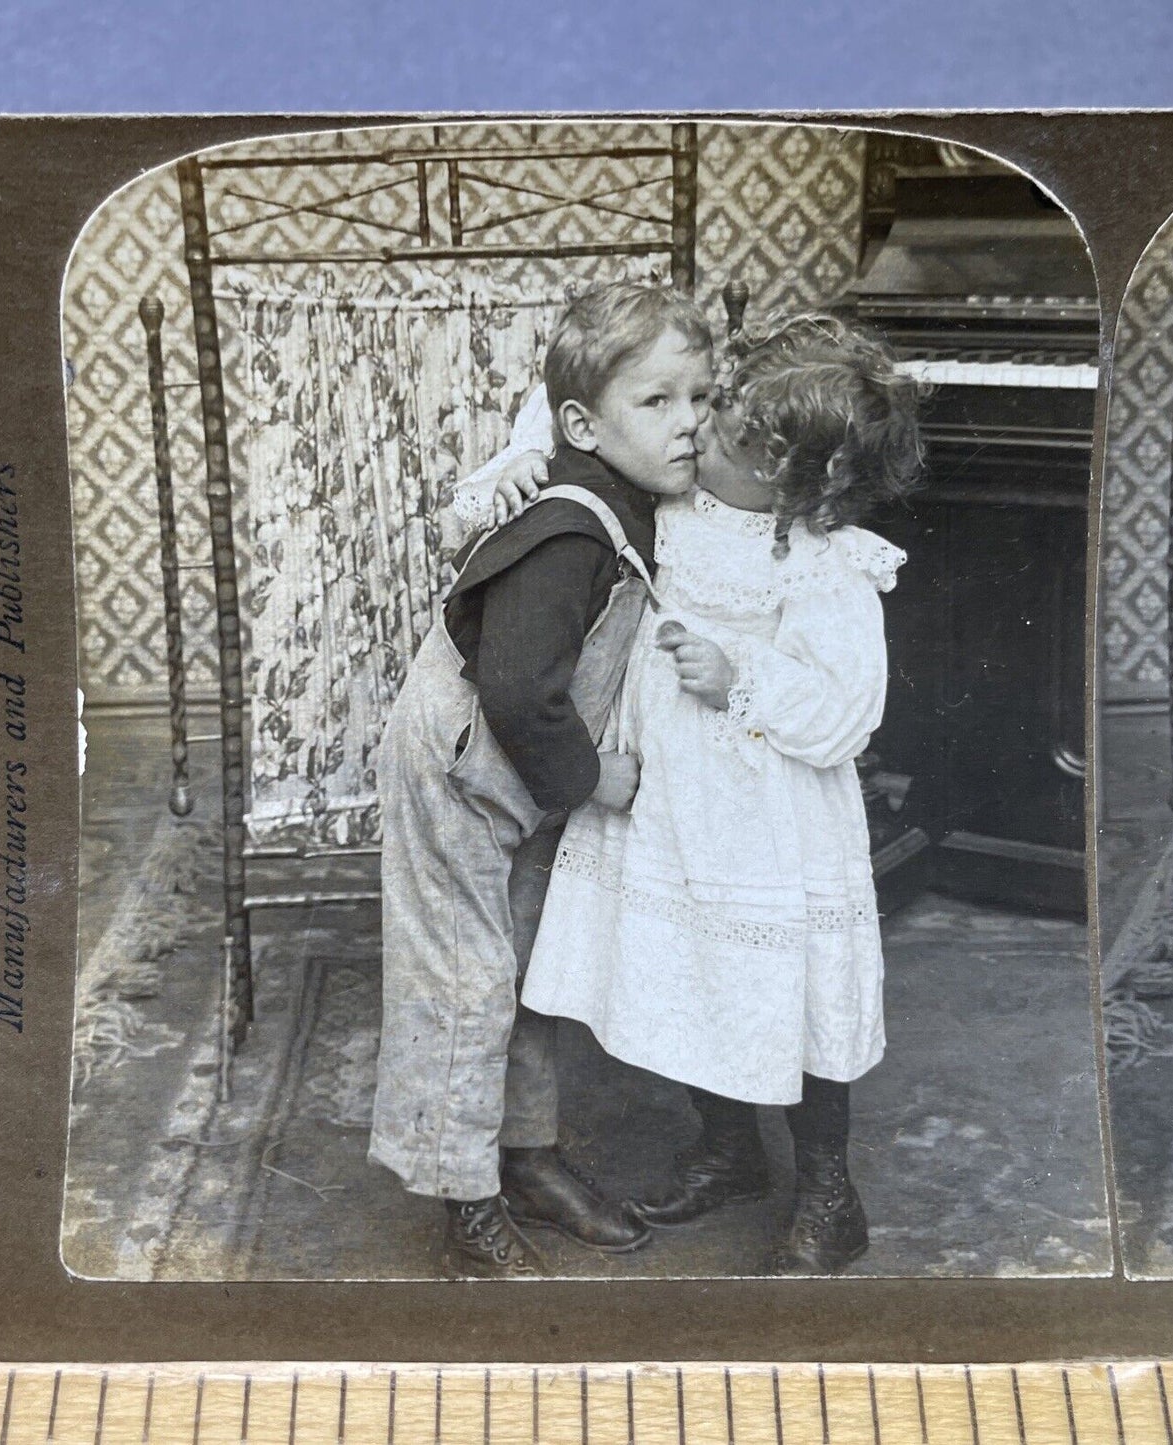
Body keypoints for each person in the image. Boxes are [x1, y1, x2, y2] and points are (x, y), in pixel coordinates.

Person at [475, 313, 922, 1273]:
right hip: (674, 804)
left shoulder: (824, 561)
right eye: (708, 410)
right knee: (692, 975)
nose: (695, 435)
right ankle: (726, 1148)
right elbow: (576, 412)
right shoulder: (671, 500)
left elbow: (849, 715)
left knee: (786, 994)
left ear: (808, 482)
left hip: (769, 819)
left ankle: (827, 1188)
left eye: (725, 435)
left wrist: (742, 678)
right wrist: (520, 452)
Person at [368, 280, 715, 1279]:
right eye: (656, 402)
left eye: (699, 397)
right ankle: (462, 1202)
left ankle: (521, 1156)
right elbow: (518, 689)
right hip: (460, 765)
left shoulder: (622, 498)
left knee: (526, 966)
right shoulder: (565, 527)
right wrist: (597, 778)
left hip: (513, 770)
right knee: (466, 979)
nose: (688, 423)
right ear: (579, 422)